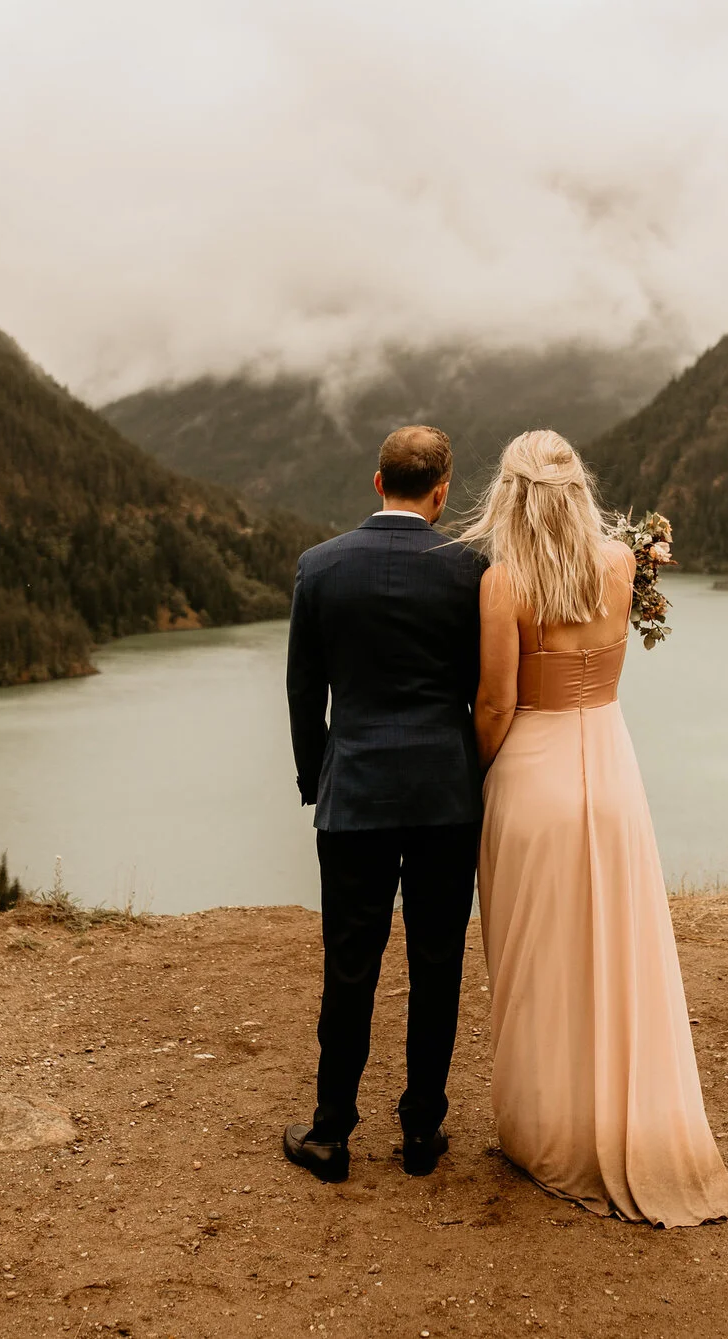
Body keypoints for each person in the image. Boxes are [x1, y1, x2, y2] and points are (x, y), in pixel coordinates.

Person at [462, 429, 728, 1226]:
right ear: (580, 492)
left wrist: (475, 770)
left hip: (533, 777)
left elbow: (496, 703)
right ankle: (626, 1112)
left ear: (512, 499)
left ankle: (545, 1127)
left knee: (537, 956)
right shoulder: (621, 565)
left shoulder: (504, 584)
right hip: (613, 772)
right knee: (616, 946)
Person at [281, 425, 487, 1182]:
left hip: (357, 795)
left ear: (378, 482)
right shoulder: (470, 570)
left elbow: (305, 690)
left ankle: (331, 1131)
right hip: (445, 795)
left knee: (350, 964)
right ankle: (422, 1132)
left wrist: (317, 777)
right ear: (441, 491)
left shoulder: (321, 567)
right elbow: (486, 685)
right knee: (438, 963)